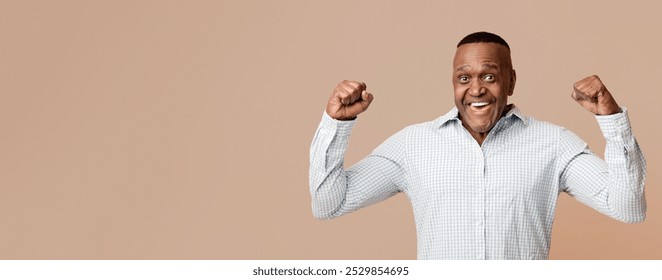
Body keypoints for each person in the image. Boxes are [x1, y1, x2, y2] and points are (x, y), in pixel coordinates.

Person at [308, 31, 646, 260]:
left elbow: (628, 208)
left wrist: (612, 119)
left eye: (488, 76)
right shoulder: (414, 145)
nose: (476, 89)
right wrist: (337, 123)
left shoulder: (552, 143)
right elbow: (328, 204)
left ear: (511, 80)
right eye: (464, 78)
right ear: (454, 83)